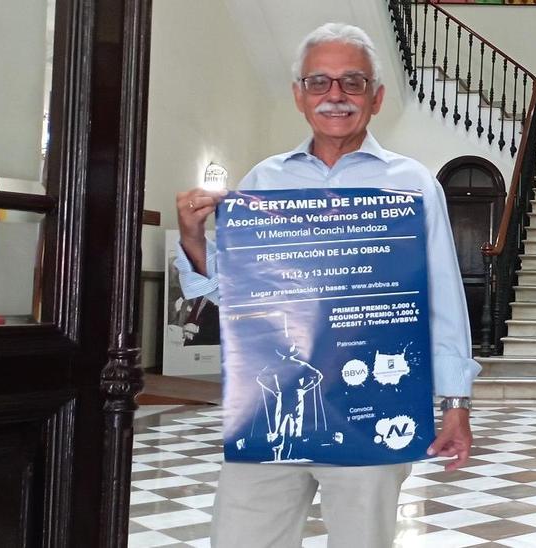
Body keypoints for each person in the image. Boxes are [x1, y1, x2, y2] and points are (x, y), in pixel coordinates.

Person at [172, 22, 480, 547]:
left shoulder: (411, 183)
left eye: (352, 82)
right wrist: (193, 238)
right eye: (319, 82)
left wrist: (457, 403)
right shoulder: (266, 181)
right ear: (298, 95)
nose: (335, 96)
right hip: (267, 410)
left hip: (374, 408)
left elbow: (444, 298)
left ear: (377, 97)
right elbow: (237, 298)